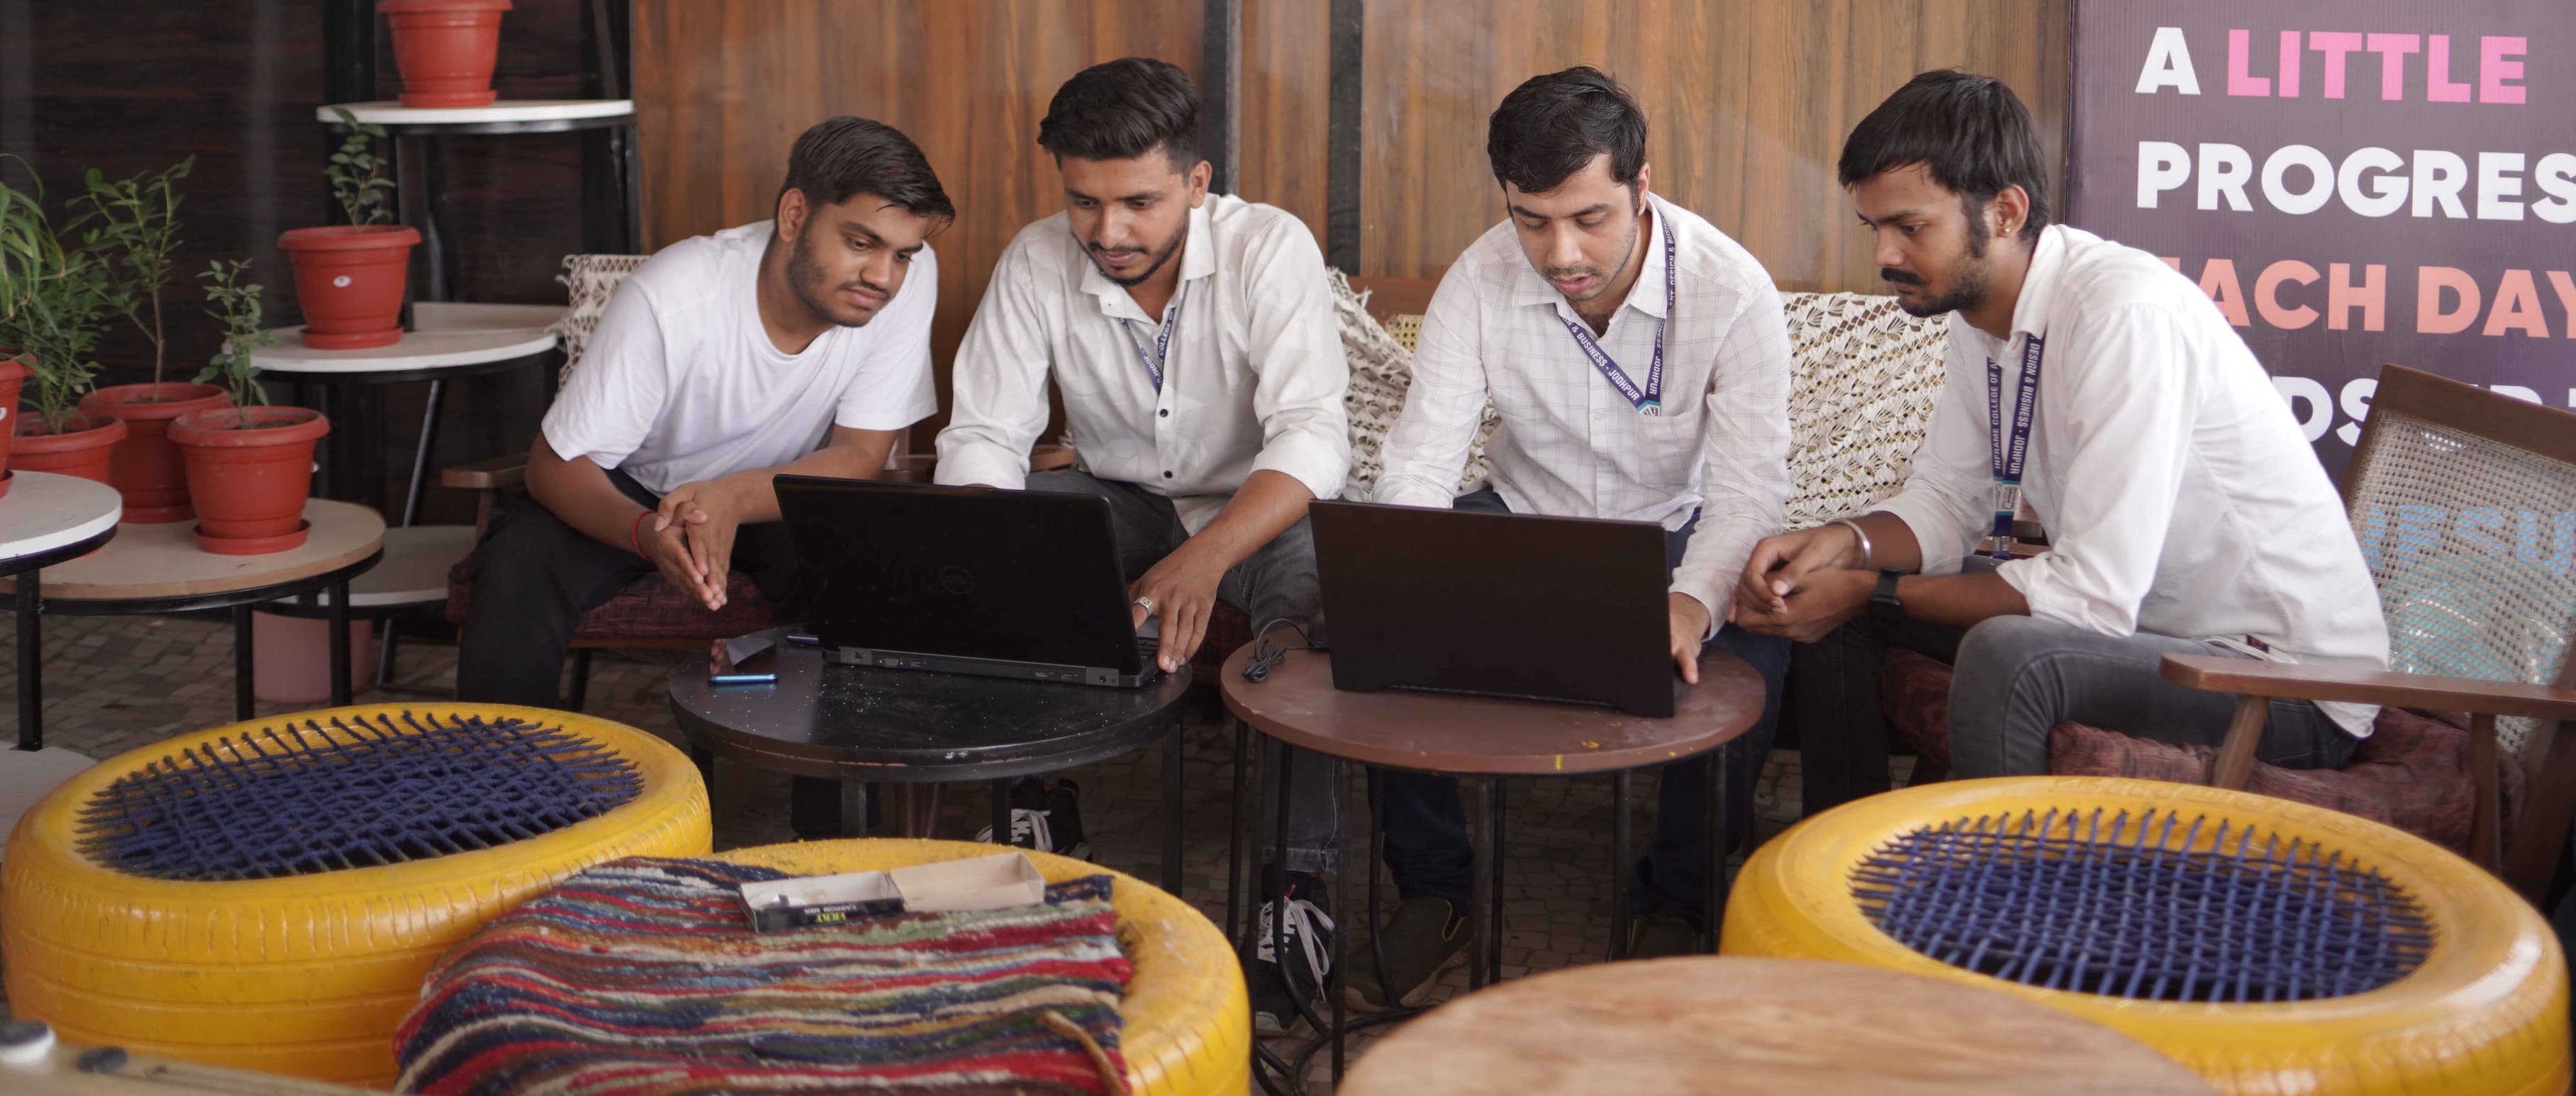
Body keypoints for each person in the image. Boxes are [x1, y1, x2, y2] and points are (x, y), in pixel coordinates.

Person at [1736, 69, 2389, 810]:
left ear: (2006, 211)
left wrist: (1873, 588)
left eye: (1910, 227)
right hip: (2149, 634)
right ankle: (1854, 878)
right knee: (1831, 619)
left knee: (2009, 655)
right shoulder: (1976, 316)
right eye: (1874, 227)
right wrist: (1845, 545)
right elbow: (1949, 501)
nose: (1884, 254)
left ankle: (1996, 917)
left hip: (2279, 680)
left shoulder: (2123, 314)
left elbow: (2092, 598)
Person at [934, 57, 1350, 1036]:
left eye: (1137, 203)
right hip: (1119, 498)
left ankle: (1297, 887)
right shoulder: (1039, 257)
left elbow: (1313, 437)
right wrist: (994, 558)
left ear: (1197, 185)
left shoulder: (1267, 248)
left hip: (1258, 508)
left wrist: (1205, 558)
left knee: (1307, 617)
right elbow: (984, 436)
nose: (1108, 233)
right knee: (1012, 531)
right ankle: (1030, 810)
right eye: (1084, 202)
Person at [1369, 67, 1792, 980]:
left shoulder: (1733, 289)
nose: (1560, 251)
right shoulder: (1479, 278)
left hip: (1675, 529)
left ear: (1642, 187)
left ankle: (1677, 900)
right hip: (1525, 517)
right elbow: (1422, 461)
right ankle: (1437, 888)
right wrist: (1399, 576)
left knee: (1755, 653)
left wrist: (1691, 602)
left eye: (1589, 217)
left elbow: (1751, 494)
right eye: (1531, 219)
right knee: (1378, 627)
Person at [457, 116, 952, 726]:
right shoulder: (674, 295)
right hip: (635, 490)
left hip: (783, 488)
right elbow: (553, 466)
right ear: (794, 215)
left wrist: (732, 498)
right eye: (860, 243)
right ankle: (497, 804)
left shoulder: (906, 279)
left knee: (867, 570)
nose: (882, 275)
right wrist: (647, 531)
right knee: (517, 572)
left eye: (902, 253)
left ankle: (841, 818)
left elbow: (859, 453)